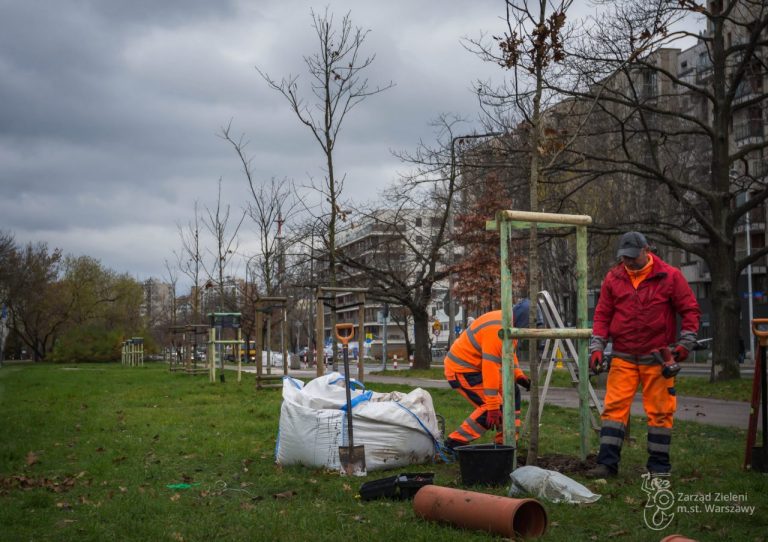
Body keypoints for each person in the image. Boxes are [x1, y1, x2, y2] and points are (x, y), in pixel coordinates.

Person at [586, 232, 701, 478]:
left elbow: (690, 309)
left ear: (646, 250)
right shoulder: (613, 277)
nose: (628, 262)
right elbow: (602, 315)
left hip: (657, 358)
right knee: (614, 409)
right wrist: (596, 347)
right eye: (623, 257)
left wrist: (686, 342)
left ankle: (659, 468)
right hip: (623, 356)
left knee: (660, 411)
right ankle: (607, 464)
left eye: (632, 257)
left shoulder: (670, 276)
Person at [443, 299, 534, 450]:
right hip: (462, 369)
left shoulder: (509, 323)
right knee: (494, 405)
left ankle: (506, 442)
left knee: (512, 392)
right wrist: (492, 407)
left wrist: (518, 375)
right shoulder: (497, 330)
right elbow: (490, 367)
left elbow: (508, 353)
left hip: (476, 366)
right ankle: (454, 443)